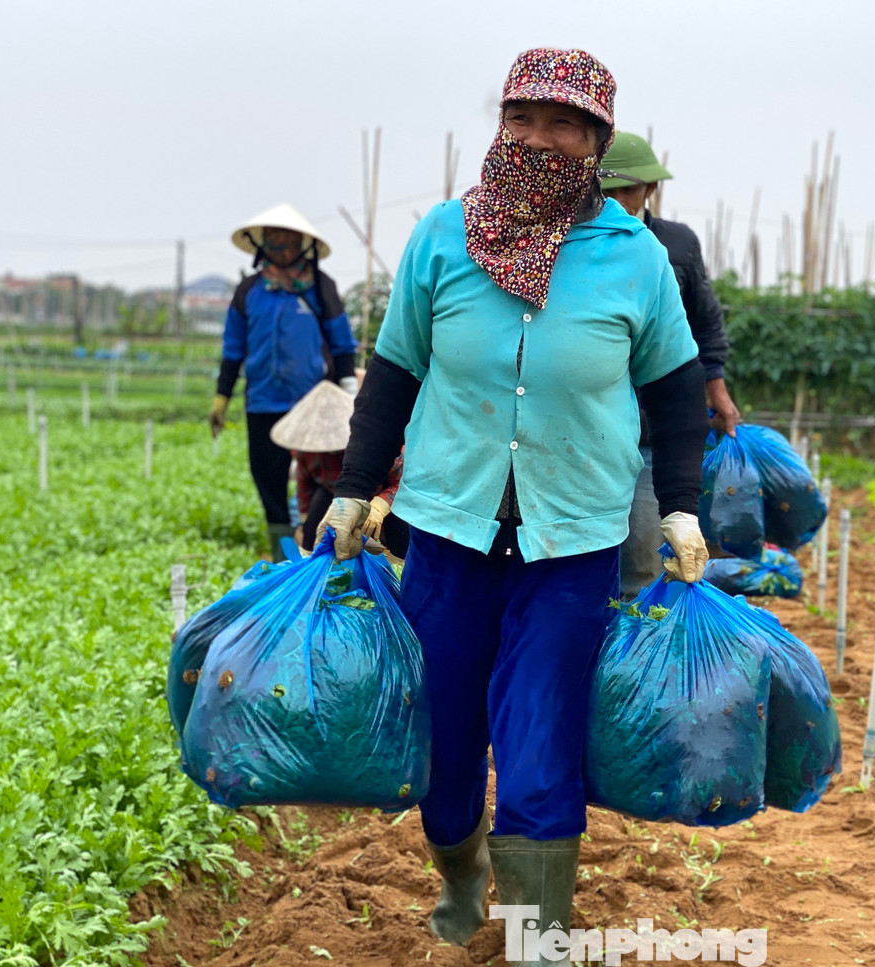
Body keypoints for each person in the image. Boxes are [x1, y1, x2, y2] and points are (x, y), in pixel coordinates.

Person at [320, 48, 710, 966]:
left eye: (566, 123)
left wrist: (684, 507)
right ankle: (460, 882)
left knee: (539, 742)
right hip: (449, 536)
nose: (541, 137)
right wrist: (351, 489)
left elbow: (678, 389)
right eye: (524, 118)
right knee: (447, 743)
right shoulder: (441, 239)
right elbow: (395, 373)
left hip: (571, 541)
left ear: (596, 141)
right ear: (500, 125)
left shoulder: (634, 257)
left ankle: (539, 936)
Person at [599, 132, 743, 597]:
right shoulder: (575, 245)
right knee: (583, 561)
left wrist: (716, 387)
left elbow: (705, 321)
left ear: (649, 191)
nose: (619, 201)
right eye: (607, 191)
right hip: (588, 426)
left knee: (642, 552)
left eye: (629, 190)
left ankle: (628, 656)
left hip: (649, 428)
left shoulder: (675, 246)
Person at [209, 204, 359, 561]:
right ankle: (282, 556)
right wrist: (221, 398)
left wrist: (351, 397)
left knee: (321, 480)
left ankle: (321, 549)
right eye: (274, 240)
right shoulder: (249, 292)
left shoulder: (321, 289)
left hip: (312, 406)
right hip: (262, 402)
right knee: (267, 478)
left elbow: (342, 346)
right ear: (262, 246)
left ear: (303, 245)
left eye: (288, 240)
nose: (282, 247)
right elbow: (233, 349)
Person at [268, 377, 408, 556]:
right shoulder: (307, 452)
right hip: (336, 494)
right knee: (313, 525)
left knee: (400, 534)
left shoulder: (377, 443)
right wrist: (303, 524)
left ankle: (399, 562)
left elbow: (404, 480)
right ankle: (315, 563)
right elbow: (305, 488)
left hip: (378, 496)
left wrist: (380, 506)